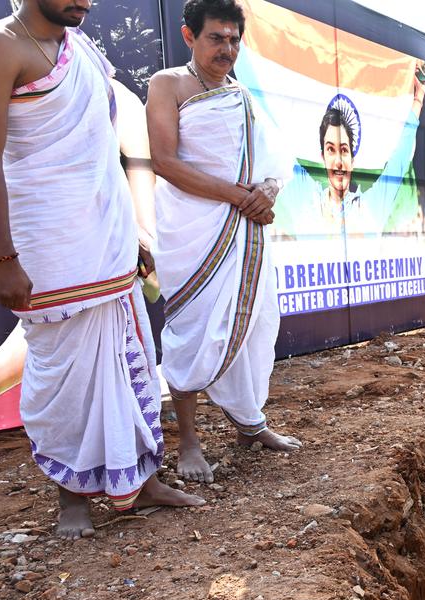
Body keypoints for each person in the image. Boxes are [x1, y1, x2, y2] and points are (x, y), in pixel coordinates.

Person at [0, 0, 203, 537]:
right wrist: (2, 258)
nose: (86, 1)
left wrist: (132, 232)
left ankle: (140, 482)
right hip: (49, 242)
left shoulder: (81, 49)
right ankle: (72, 495)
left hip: (106, 236)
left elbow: (101, 149)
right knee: (62, 370)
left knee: (124, 356)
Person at [146, 0, 301, 483]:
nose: (227, 49)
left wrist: (267, 192)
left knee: (255, 324)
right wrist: (240, 197)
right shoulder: (167, 85)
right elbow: (165, 162)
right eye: (216, 38)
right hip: (194, 231)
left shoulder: (242, 96)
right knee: (191, 329)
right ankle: (189, 443)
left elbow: (275, 162)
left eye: (234, 40)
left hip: (245, 230)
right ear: (190, 36)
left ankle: (250, 425)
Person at [316, 69, 425, 235]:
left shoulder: (371, 206)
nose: (338, 161)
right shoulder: (308, 201)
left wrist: (418, 99)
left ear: (352, 161)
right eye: (331, 149)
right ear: (322, 157)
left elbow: (400, 158)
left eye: (345, 150)